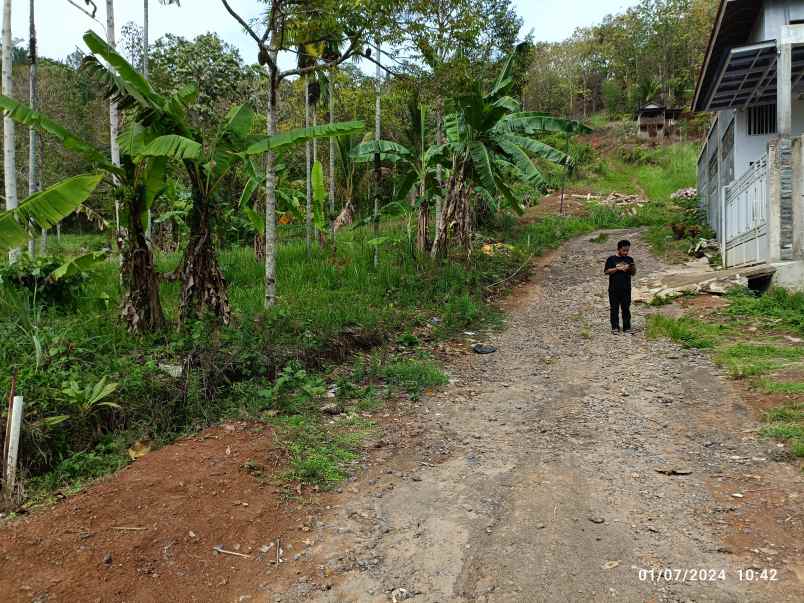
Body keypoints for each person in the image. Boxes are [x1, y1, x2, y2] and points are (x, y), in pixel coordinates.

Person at [604, 239, 636, 333]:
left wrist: (631, 267)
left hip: (626, 288)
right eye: (624, 250)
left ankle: (627, 327)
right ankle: (615, 327)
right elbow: (606, 271)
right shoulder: (611, 259)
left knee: (626, 308)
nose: (626, 252)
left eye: (627, 250)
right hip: (613, 288)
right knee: (614, 308)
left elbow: (633, 273)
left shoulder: (629, 259)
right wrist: (617, 268)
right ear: (618, 249)